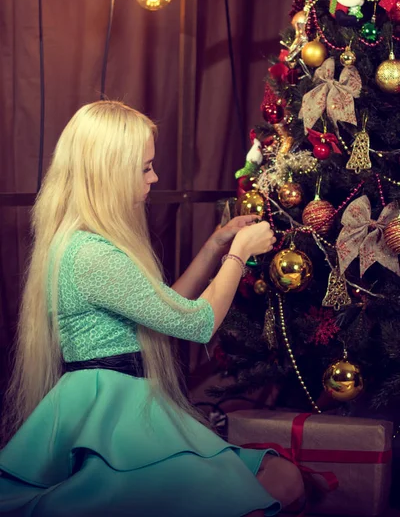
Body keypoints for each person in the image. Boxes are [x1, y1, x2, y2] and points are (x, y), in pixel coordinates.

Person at [0, 101, 304, 516]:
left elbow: (166, 308)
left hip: (125, 404)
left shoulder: (84, 243)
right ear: (109, 171)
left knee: (278, 479)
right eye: (144, 167)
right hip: (113, 414)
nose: (155, 177)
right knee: (265, 487)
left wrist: (215, 247)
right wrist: (239, 255)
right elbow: (198, 323)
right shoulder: (91, 255)